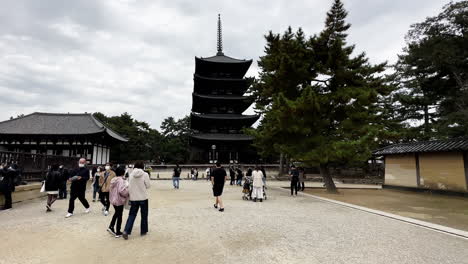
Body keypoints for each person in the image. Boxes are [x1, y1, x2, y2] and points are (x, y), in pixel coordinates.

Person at [123, 161, 151, 240]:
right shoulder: (145, 174)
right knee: (144, 215)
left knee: (132, 215)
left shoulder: (131, 174)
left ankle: (126, 231)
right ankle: (143, 231)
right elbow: (148, 186)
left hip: (134, 198)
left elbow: (128, 185)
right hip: (143, 197)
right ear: (142, 166)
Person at [108, 166, 129, 238]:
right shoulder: (121, 180)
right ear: (123, 173)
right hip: (119, 200)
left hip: (113, 199)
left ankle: (111, 226)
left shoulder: (113, 179)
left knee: (117, 213)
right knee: (119, 215)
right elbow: (121, 190)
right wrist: (127, 193)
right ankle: (118, 231)